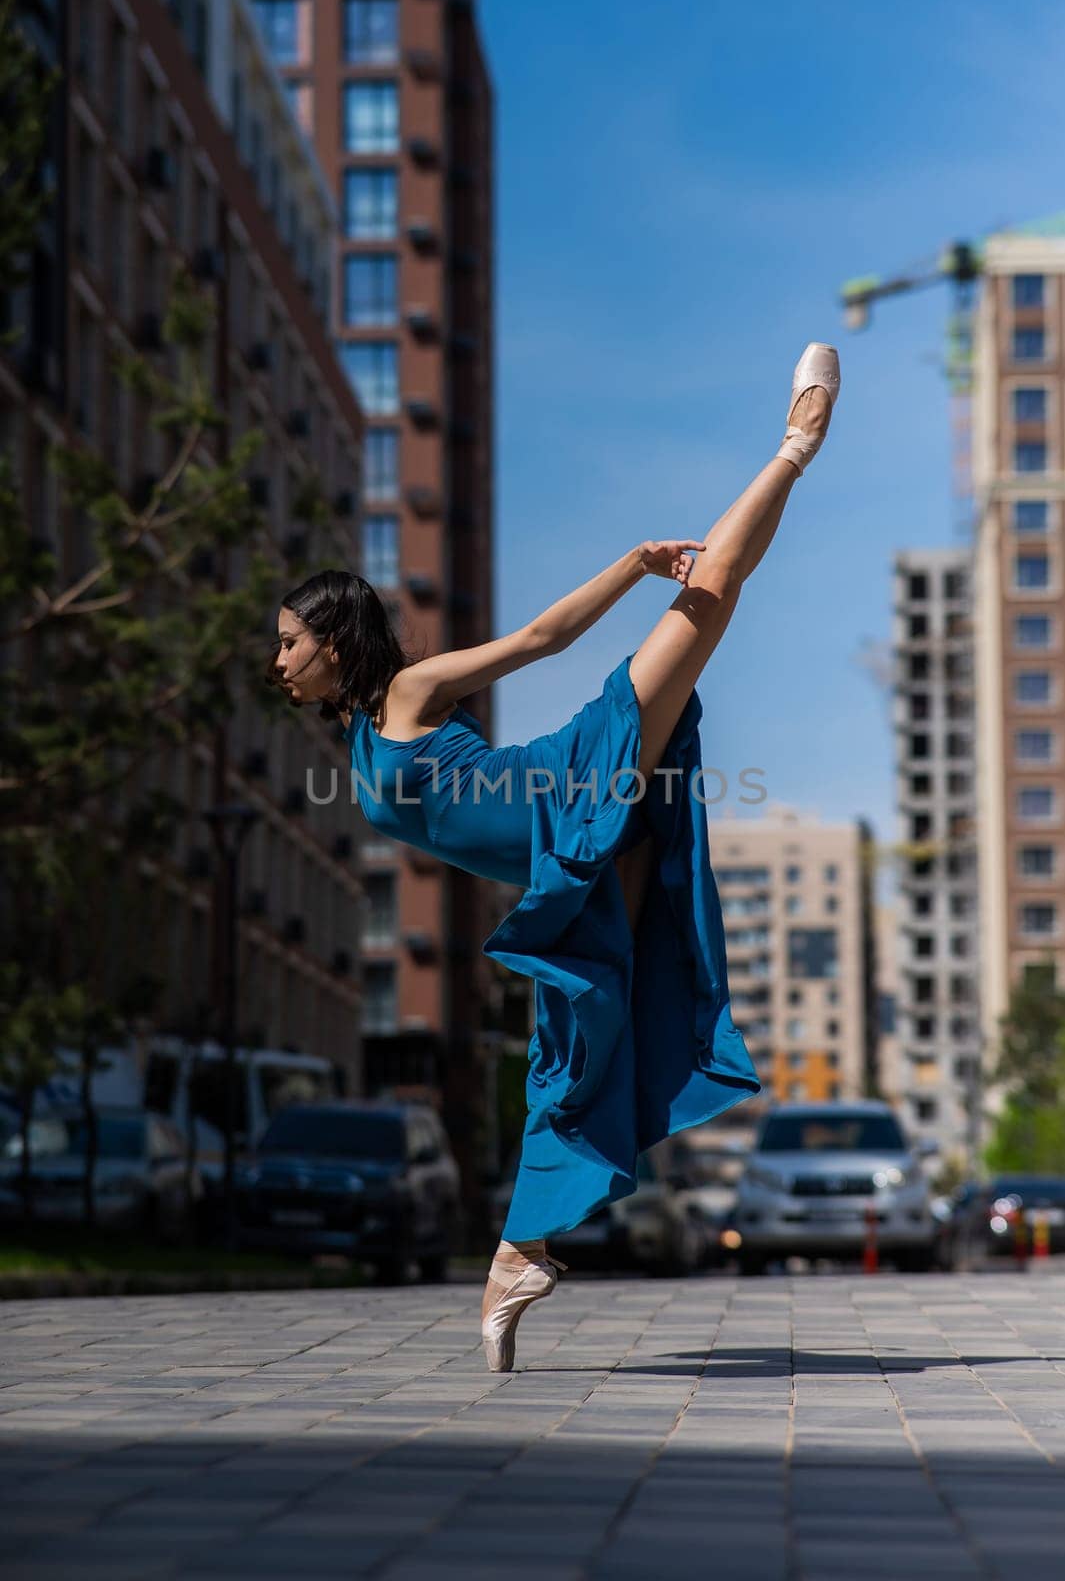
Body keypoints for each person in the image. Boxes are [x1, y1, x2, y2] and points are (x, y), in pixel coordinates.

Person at [267, 343, 840, 1370]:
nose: (278, 661)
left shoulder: (407, 693)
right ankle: (517, 1259)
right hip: (562, 864)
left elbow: (536, 638)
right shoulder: (359, 737)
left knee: (707, 594)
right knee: (572, 1052)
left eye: (288, 643)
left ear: (335, 643)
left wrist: (627, 562)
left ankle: (796, 442)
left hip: (570, 784)